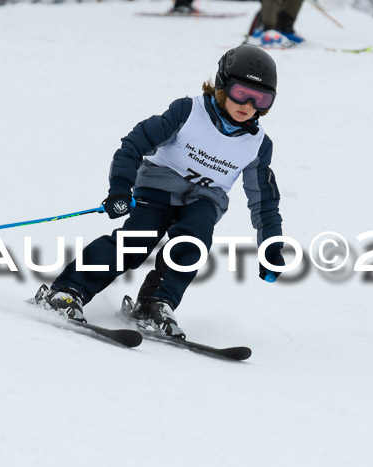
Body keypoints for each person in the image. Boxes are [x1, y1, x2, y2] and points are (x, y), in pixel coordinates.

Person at [33, 45, 285, 338]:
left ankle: (155, 302)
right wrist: (119, 189)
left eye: (261, 99)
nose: (249, 105)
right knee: (137, 240)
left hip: (204, 200)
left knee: (195, 239)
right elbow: (134, 144)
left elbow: (264, 201)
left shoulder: (257, 145)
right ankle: (68, 290)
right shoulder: (189, 112)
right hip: (157, 188)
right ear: (222, 84)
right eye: (242, 93)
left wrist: (271, 247)